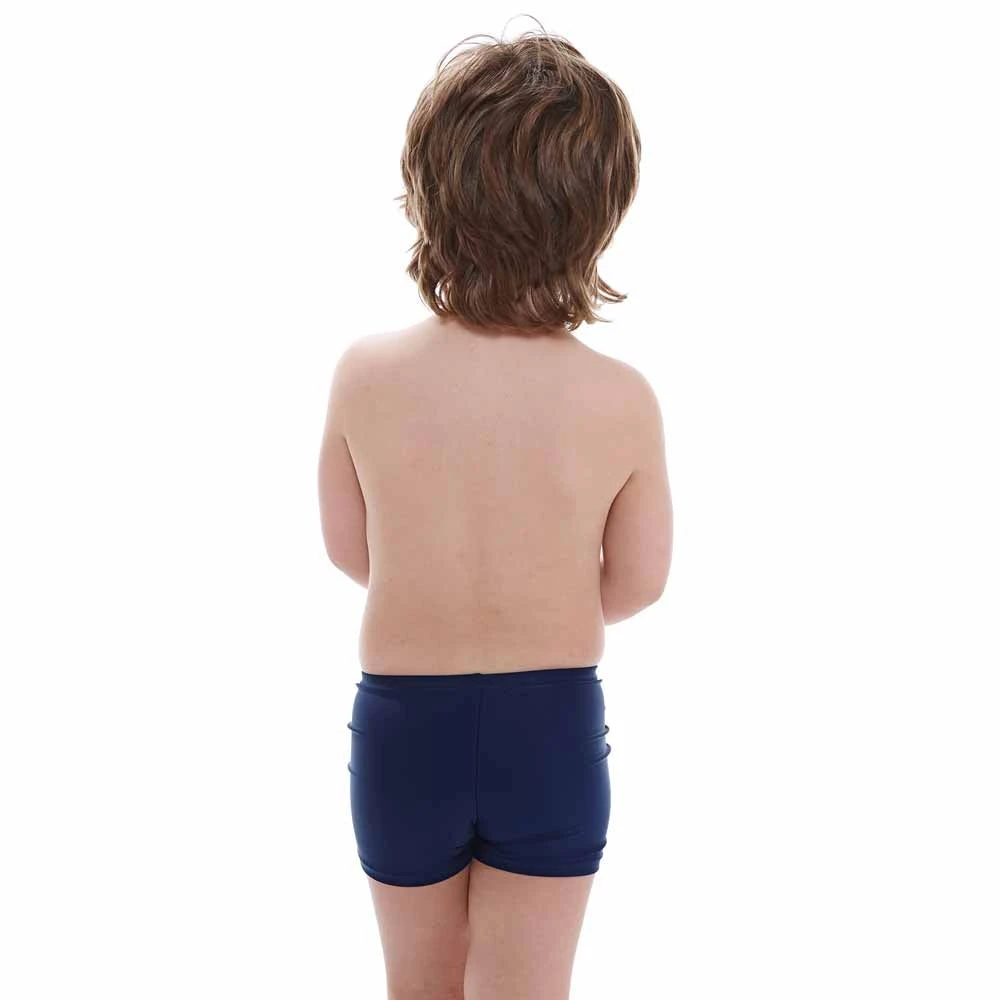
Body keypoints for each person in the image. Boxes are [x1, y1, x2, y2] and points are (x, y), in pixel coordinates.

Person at [317, 28, 673, 1000]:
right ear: (598, 210)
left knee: (417, 985)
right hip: (549, 728)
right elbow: (639, 582)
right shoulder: (619, 397)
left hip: (403, 727)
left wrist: (435, 580)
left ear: (428, 189)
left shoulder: (366, 375)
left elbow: (352, 550)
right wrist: (538, 593)